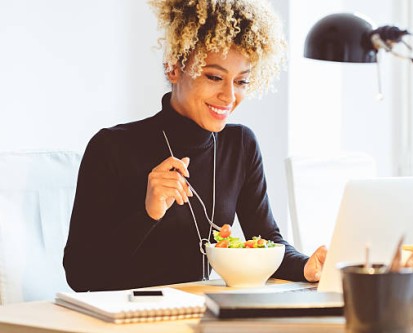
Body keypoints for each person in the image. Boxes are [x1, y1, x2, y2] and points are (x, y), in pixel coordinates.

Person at [63, 0, 326, 292]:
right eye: (214, 77)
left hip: (199, 313)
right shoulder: (111, 148)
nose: (229, 96)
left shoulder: (240, 145)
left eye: (241, 82)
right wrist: (148, 212)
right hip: (126, 317)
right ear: (173, 67)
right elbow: (80, 274)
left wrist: (306, 266)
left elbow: (267, 240)